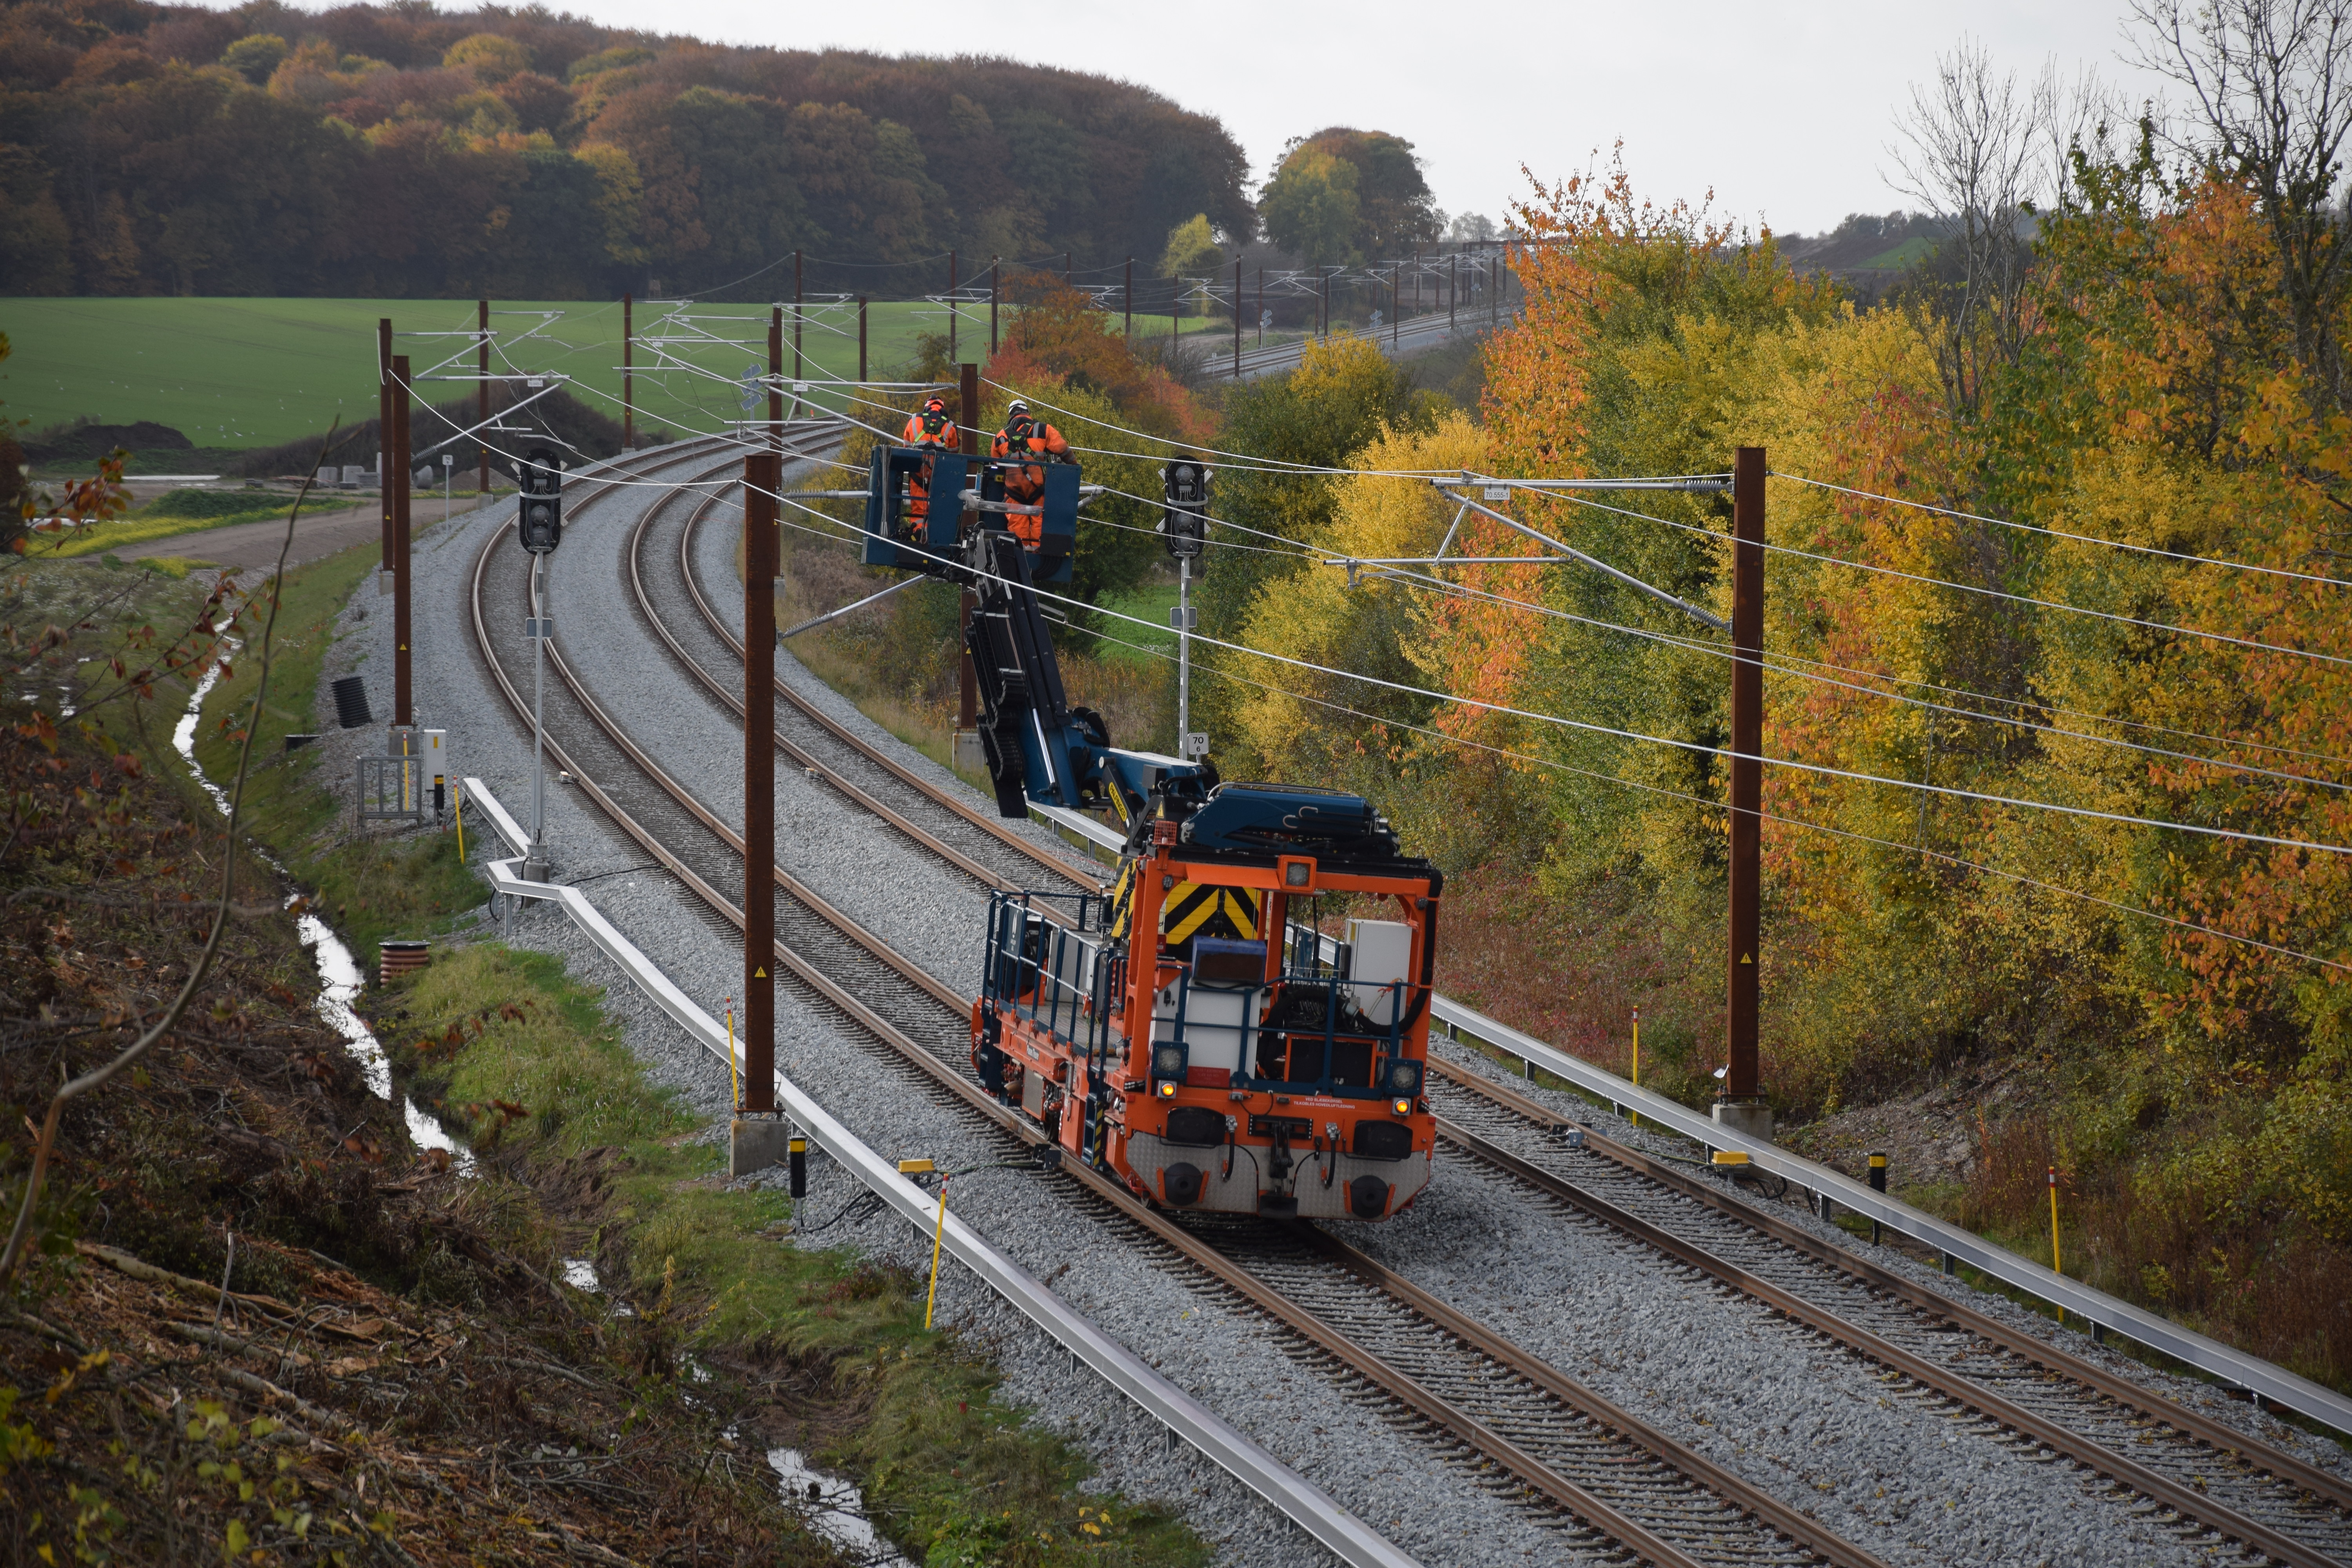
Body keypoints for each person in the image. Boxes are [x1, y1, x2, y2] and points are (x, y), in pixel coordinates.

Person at [990, 398, 1069, 548]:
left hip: (1013, 491)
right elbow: (1062, 449)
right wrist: (1074, 466)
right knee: (1039, 522)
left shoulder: (999, 437)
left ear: (1011, 415)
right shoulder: (1043, 429)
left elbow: (996, 464)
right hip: (1038, 489)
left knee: (1017, 528)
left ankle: (1020, 558)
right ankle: (1038, 558)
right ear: (1027, 413)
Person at [899, 393, 958, 529]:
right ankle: (937, 537)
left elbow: (906, 447)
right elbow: (954, 452)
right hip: (940, 473)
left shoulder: (914, 420)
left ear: (927, 407)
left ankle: (919, 534)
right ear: (942, 408)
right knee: (940, 511)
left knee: (919, 512)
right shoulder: (950, 426)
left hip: (918, 471)